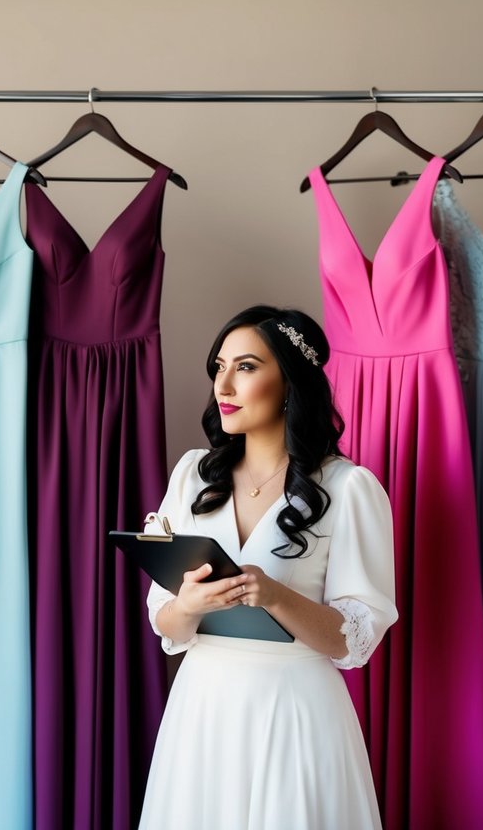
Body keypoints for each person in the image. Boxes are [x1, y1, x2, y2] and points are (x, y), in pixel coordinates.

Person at [139, 305, 397, 829]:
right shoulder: (192, 475)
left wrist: (274, 595)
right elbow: (163, 619)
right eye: (219, 366)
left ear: (289, 384)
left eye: (247, 367)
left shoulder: (348, 489)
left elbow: (356, 639)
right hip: (202, 708)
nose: (224, 384)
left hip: (296, 711)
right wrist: (187, 605)